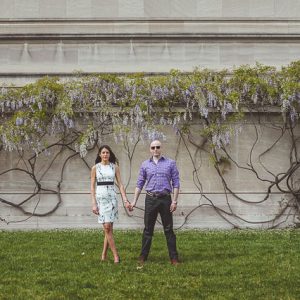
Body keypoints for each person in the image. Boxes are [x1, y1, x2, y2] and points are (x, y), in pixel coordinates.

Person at [130, 140, 180, 265]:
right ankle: (143, 256)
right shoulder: (145, 164)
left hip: (165, 199)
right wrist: (134, 201)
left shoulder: (170, 163)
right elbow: (139, 183)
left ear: (161, 148)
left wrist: (174, 201)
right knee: (148, 229)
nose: (155, 149)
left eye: (158, 147)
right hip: (150, 199)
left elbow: (176, 183)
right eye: (153, 147)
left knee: (168, 229)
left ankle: (174, 258)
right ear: (150, 149)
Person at [91, 145, 131, 263]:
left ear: (110, 154)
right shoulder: (95, 168)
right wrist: (93, 203)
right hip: (101, 199)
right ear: (99, 154)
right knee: (107, 227)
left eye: (107, 152)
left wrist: (125, 199)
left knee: (108, 228)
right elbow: (92, 187)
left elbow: (121, 184)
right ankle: (116, 255)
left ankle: (103, 254)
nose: (105, 155)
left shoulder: (115, 167)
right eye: (103, 152)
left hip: (112, 199)